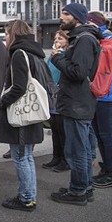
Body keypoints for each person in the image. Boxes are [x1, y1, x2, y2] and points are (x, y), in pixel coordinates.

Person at [50, 2, 102, 206]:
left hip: (77, 103)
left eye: (65, 14)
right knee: (80, 148)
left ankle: (78, 191)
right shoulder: (84, 38)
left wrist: (57, 58)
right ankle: (84, 187)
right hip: (79, 102)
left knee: (77, 150)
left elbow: (78, 72)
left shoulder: (84, 39)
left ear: (77, 18)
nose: (61, 17)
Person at [0, 20, 46, 212]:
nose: (5, 38)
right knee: (27, 157)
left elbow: (19, 87)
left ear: (14, 34)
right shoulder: (34, 52)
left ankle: (26, 198)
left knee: (20, 157)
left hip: (21, 117)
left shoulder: (18, 54)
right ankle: (29, 196)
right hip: (31, 115)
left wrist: (2, 102)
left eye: (7, 34)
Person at [86, 11, 112, 188]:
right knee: (100, 134)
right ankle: (107, 170)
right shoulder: (100, 40)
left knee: (105, 134)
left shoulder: (111, 42)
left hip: (107, 95)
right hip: (101, 94)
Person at [43, 30, 70, 172]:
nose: (56, 41)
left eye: (60, 38)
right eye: (55, 38)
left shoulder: (66, 56)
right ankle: (56, 156)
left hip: (60, 94)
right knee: (54, 128)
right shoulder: (53, 56)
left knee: (61, 129)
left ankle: (65, 159)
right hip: (51, 93)